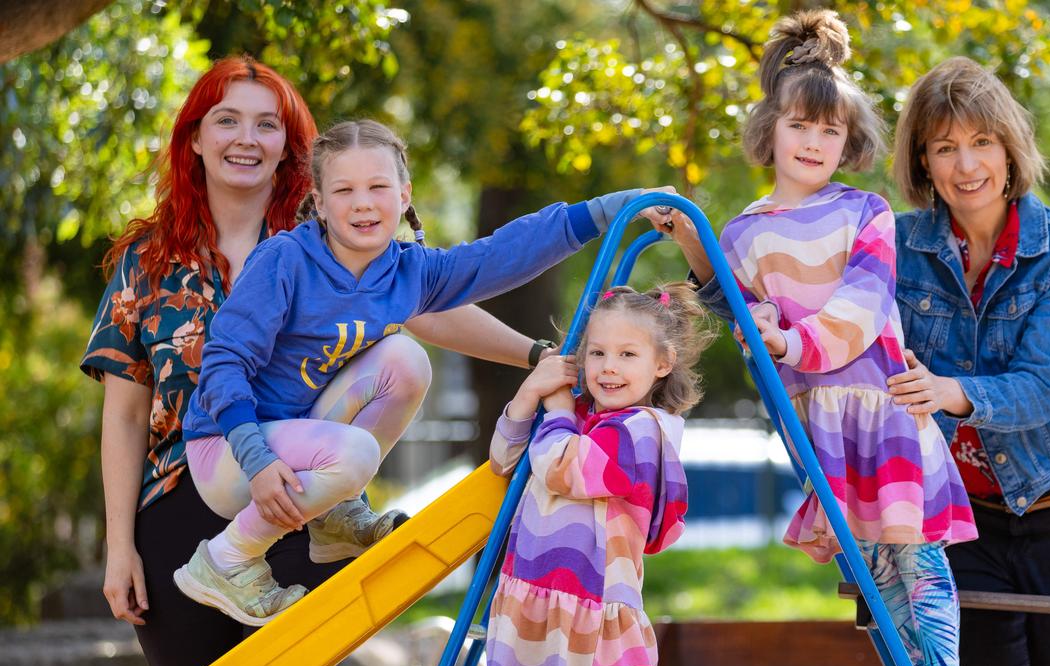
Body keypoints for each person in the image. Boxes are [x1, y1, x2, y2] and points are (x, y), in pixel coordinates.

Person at [80, 58, 636, 666]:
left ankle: (333, 518)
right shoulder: (151, 260)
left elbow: (432, 297)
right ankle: (235, 554)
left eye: (267, 123)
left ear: (290, 146)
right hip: (188, 488)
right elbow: (123, 415)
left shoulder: (336, 235)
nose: (246, 137)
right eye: (227, 120)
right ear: (194, 137)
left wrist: (539, 354)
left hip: (304, 494)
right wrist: (119, 549)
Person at [174, 118, 675, 625]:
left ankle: (331, 516)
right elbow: (223, 362)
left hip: (298, 445)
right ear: (320, 203)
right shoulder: (286, 260)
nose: (363, 203)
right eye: (344, 191)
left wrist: (620, 206)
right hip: (227, 449)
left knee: (406, 360)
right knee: (356, 451)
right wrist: (257, 461)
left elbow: (501, 255)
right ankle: (226, 559)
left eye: (378, 187)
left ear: (404, 193)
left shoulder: (408, 272)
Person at [668, 11, 980, 666]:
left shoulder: (863, 212)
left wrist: (786, 343)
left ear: (849, 140)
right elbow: (739, 306)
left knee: (914, 547)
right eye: (799, 126)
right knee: (871, 570)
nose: (814, 142)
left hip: (886, 405)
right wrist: (695, 246)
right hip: (819, 424)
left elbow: (862, 309)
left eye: (830, 130)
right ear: (769, 130)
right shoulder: (744, 232)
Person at [886, 57, 1050, 666]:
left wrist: (949, 393)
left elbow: (1045, 387)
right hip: (965, 526)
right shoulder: (896, 248)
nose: (967, 166)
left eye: (982, 142)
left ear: (1010, 150)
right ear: (923, 163)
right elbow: (822, 314)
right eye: (945, 147)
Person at [483, 282, 714, 666]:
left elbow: (565, 468)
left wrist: (556, 413)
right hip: (532, 601)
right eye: (597, 353)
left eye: (628, 355)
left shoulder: (644, 431)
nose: (609, 368)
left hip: (589, 608)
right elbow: (504, 461)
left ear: (663, 364)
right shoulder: (578, 418)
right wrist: (528, 394)